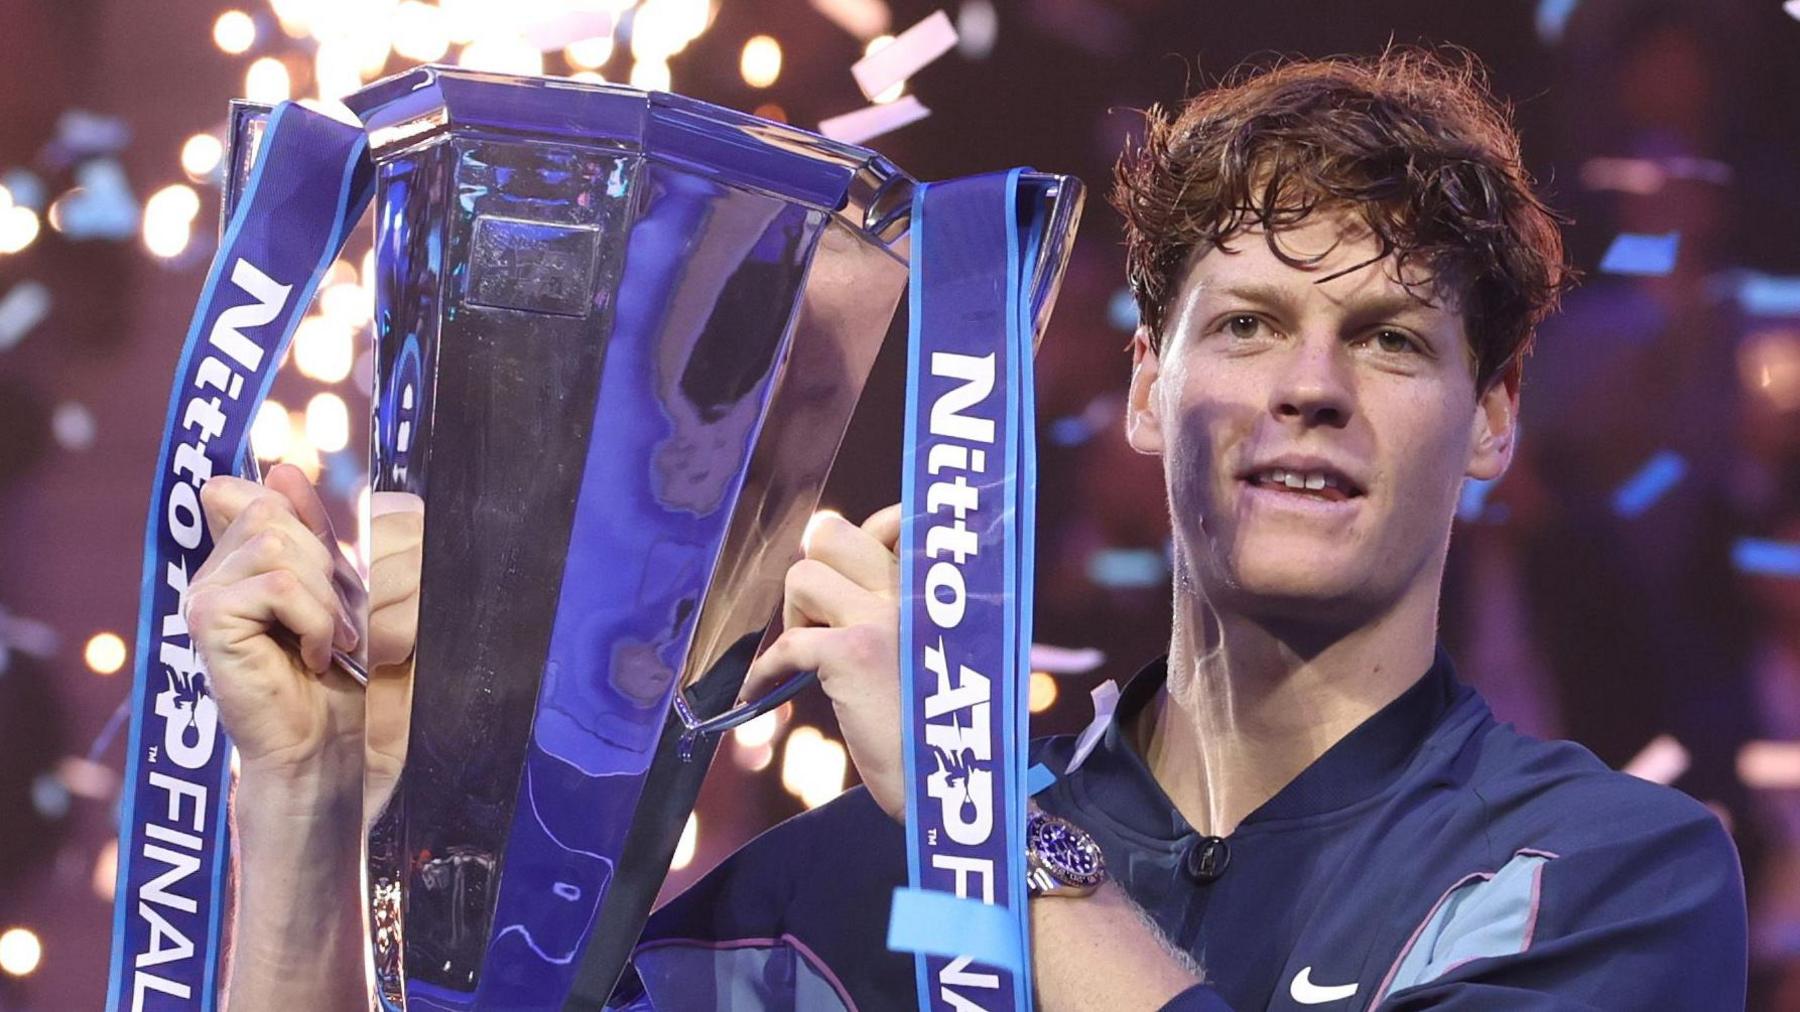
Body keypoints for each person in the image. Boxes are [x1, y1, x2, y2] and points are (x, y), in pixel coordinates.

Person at [188, 48, 1748, 1011]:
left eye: (1395, 339)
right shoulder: (834, 893)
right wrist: (317, 813)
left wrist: (986, 818)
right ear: (1145, 390)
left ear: (1493, 417)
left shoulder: (1606, 877)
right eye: (1251, 325)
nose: (1313, 390)